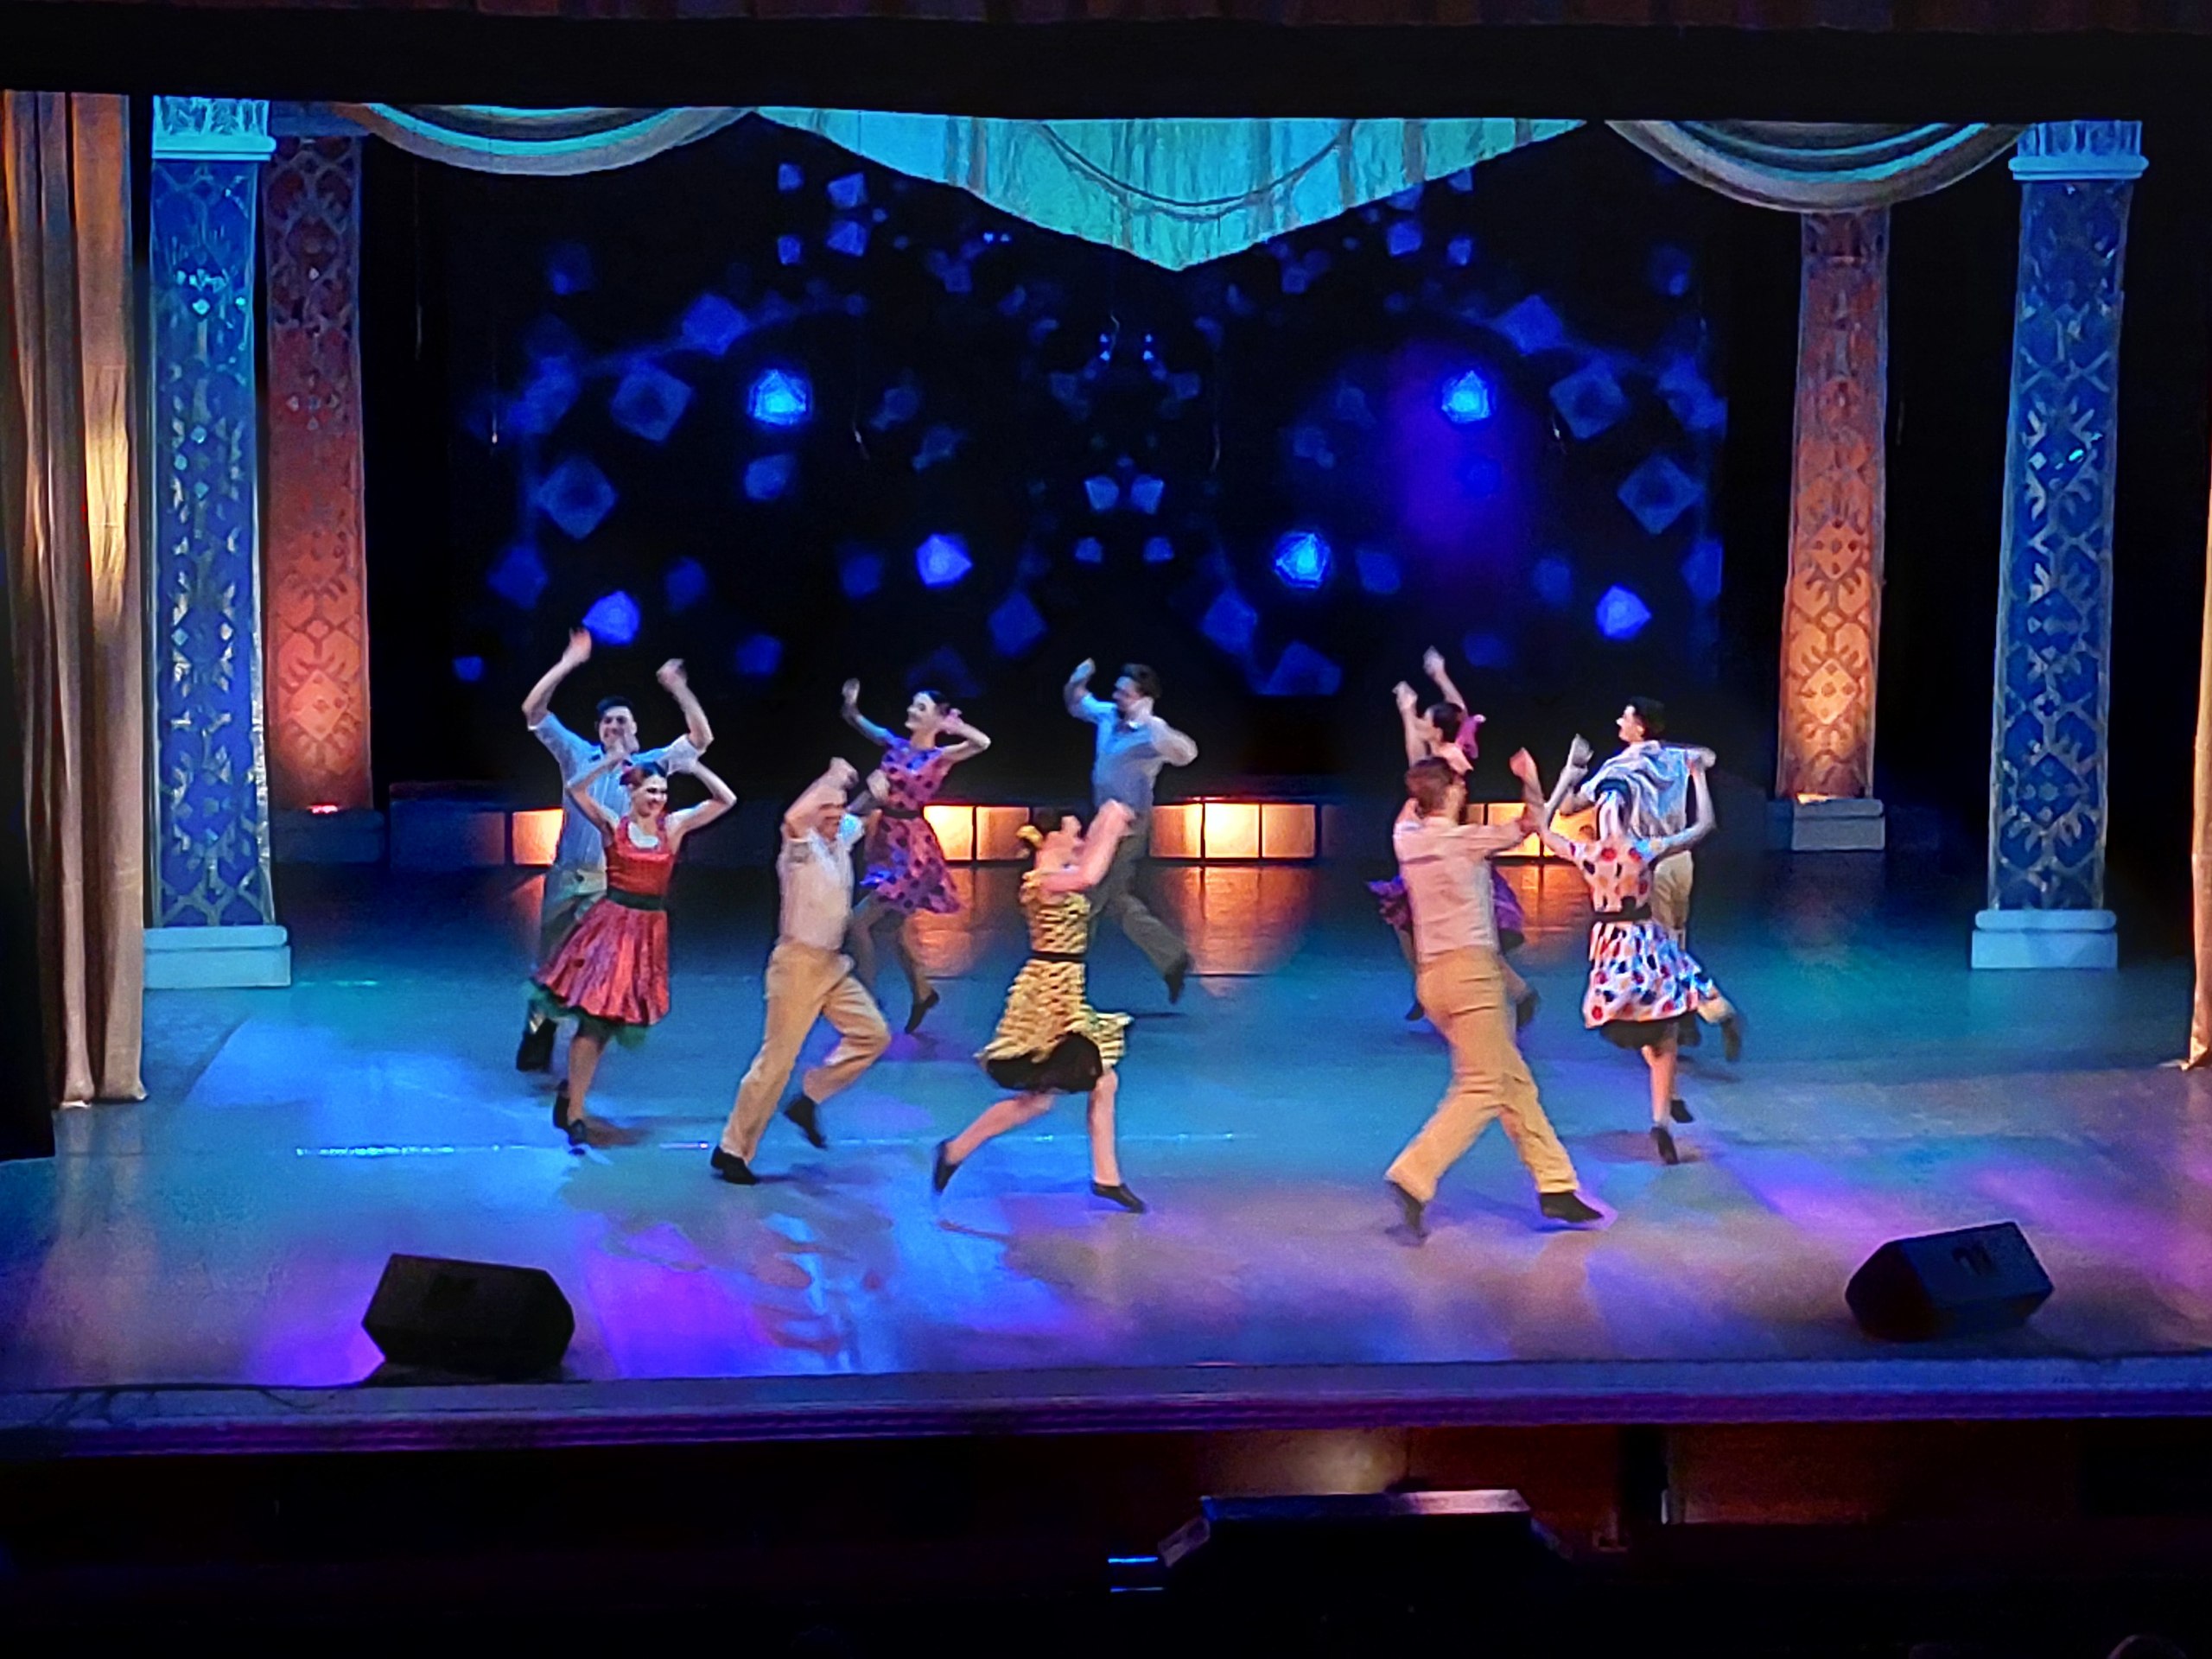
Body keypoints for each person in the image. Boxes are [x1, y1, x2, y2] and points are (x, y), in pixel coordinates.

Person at [1383, 755, 1605, 1238]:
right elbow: (1532, 823)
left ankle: (1556, 1184)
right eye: (1458, 786)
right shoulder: (1464, 840)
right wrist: (1530, 779)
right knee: (1483, 1084)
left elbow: (1412, 805)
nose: (1464, 790)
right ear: (1451, 794)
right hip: (1472, 978)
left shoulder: (1407, 837)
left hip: (1433, 980)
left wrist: (1443, 763)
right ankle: (1414, 1175)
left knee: (1513, 1082)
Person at [932, 801, 1147, 1213]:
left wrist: (1109, 824)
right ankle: (955, 1149)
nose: (1079, 842)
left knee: (1099, 1082)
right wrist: (1109, 822)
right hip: (1047, 999)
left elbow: (1091, 864)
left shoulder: (1056, 874)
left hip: (1064, 990)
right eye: (1072, 834)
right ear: (1048, 841)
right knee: (1047, 1097)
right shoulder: (1043, 882)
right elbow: (1089, 874)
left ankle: (1106, 1178)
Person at [516, 629, 714, 1075]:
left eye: (623, 721)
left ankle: (585, 1047)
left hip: (612, 886)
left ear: (636, 728)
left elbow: (700, 738)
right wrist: (568, 662)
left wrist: (679, 688)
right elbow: (533, 712)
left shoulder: (650, 768)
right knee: (549, 961)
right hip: (568, 875)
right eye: (608, 722)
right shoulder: (579, 756)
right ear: (599, 731)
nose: (616, 727)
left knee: (597, 966)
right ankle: (538, 1031)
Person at [1528, 747, 1723, 1165]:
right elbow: (1703, 826)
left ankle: (1663, 1111)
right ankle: (1661, 1119)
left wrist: (1567, 776)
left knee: (1642, 1029)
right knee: (1663, 1034)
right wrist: (1697, 777)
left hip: (1611, 949)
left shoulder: (1588, 853)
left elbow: (1542, 826)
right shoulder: (1642, 849)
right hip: (1646, 944)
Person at [532, 747, 735, 1146]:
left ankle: (571, 1092)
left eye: (663, 792)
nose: (658, 798)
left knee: (610, 1023)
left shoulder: (672, 828)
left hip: (646, 935)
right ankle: (575, 1113)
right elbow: (576, 789)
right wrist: (607, 763)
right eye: (651, 791)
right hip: (611, 930)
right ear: (633, 792)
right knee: (594, 1020)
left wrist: (695, 767)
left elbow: (725, 800)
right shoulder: (614, 824)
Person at [713, 760, 893, 1185]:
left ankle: (809, 1098)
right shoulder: (800, 848)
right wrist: (832, 776)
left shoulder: (840, 839)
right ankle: (732, 1149)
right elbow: (794, 818)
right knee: (776, 1061)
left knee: (873, 1034)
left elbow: (859, 811)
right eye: (825, 808)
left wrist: (876, 787)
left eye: (838, 808)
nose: (834, 814)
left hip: (831, 966)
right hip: (797, 966)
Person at [1551, 696, 1743, 1059]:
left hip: (1641, 866)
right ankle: (1688, 1014)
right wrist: (1669, 751)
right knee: (1675, 941)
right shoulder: (1676, 757)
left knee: (1657, 953)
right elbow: (1709, 757)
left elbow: (1568, 807)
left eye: (1625, 718)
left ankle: (1704, 1011)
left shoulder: (1618, 767)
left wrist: (1572, 771)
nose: (1618, 723)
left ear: (1639, 727)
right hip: (1679, 857)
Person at [1370, 649, 1538, 1027]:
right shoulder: (1443, 752)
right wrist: (1439, 674)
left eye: (1426, 721)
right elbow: (1457, 711)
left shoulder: (1445, 764)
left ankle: (1520, 993)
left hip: (1451, 855)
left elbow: (1416, 757)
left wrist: (1406, 711)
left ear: (1438, 731)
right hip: (1436, 851)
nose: (1421, 724)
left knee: (1468, 940)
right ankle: (1427, 988)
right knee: (1408, 925)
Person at [838, 680, 992, 1034]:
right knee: (895, 927)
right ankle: (923, 993)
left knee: (858, 922)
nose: (911, 710)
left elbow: (983, 743)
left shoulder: (939, 757)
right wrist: (851, 704)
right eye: (913, 704)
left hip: (912, 852)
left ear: (937, 719)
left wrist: (955, 727)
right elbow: (855, 719)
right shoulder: (895, 744)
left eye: (921, 708)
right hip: (887, 841)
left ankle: (866, 1002)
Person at [1063, 659, 1197, 1002]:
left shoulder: (1152, 731)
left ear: (1142, 697)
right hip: (1101, 821)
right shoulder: (1109, 716)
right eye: (1117, 691)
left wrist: (1157, 728)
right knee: (1116, 900)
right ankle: (1173, 956)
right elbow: (1077, 703)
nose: (1117, 696)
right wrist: (1078, 681)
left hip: (1128, 825)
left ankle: (1064, 977)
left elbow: (1186, 754)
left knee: (1090, 896)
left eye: (1124, 693)